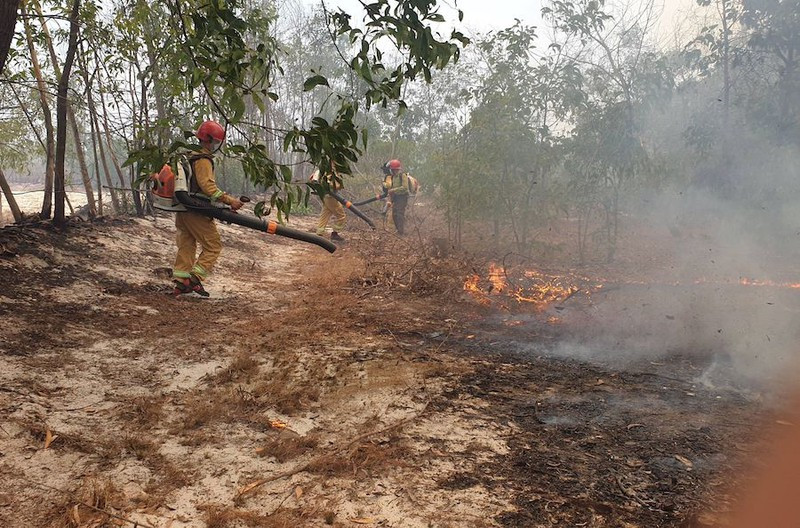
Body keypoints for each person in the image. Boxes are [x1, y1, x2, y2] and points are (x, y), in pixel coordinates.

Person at [172, 120, 243, 296]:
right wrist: (230, 201)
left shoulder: (188, 155)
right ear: (209, 140)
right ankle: (194, 279)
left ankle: (180, 283)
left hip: (183, 208)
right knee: (213, 246)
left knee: (186, 244)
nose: (216, 146)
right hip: (197, 210)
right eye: (216, 142)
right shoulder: (202, 159)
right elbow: (207, 187)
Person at [381, 159, 419, 235]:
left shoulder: (403, 176)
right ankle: (399, 231)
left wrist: (393, 190)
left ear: (394, 169)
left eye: (391, 169)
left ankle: (401, 233)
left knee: (399, 214)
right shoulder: (394, 177)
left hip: (402, 197)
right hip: (396, 197)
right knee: (394, 214)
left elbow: (405, 187)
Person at [312, 167, 346, 241]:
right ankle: (335, 234)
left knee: (325, 214)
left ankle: (319, 233)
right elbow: (337, 186)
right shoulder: (332, 173)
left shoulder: (320, 171)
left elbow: (313, 180)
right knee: (342, 216)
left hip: (325, 197)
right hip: (331, 197)